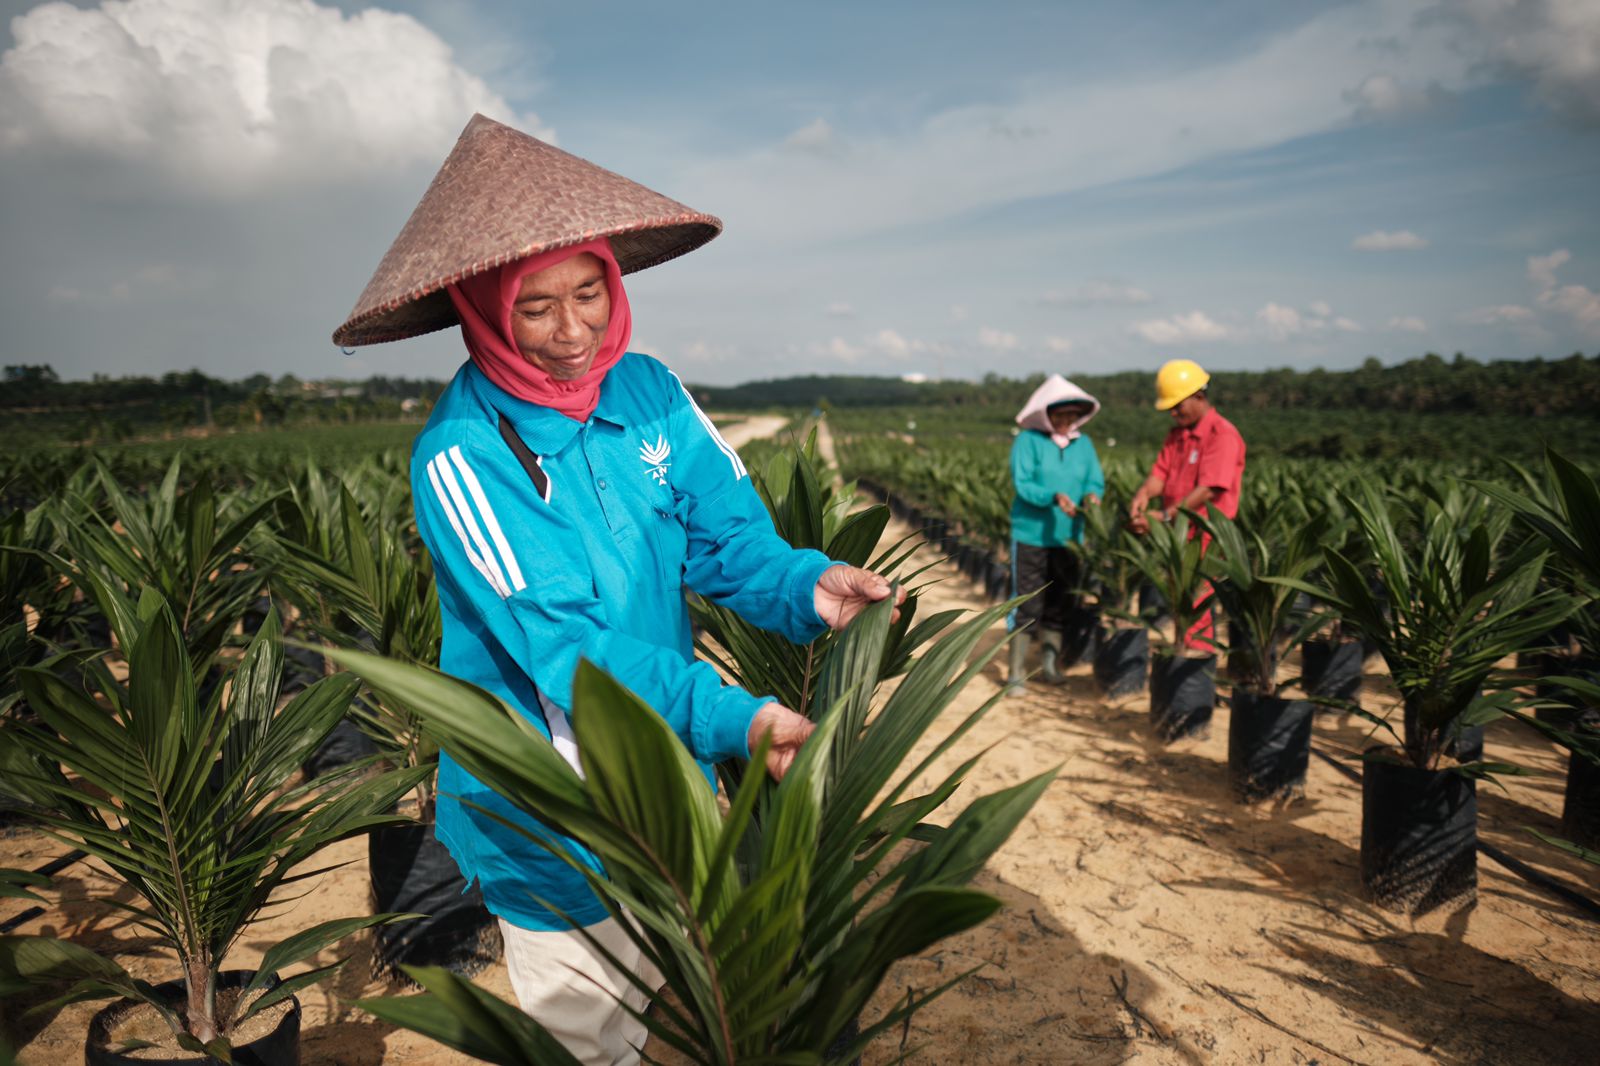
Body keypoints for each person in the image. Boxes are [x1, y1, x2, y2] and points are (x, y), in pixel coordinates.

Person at [332, 114, 900, 1065]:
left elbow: (726, 543)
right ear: (482, 310)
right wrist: (731, 718)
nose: (572, 331)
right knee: (589, 1039)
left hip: (659, 776)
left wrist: (807, 586)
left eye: (589, 293)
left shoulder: (649, 391)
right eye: (534, 308)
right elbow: (569, 652)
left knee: (649, 1003)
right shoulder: (464, 455)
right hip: (547, 805)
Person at [1127, 358, 1246, 651]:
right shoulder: (1177, 435)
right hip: (1178, 533)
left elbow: (1209, 488)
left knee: (1198, 601)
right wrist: (1142, 495)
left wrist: (1165, 516)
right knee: (1179, 596)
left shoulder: (1222, 435)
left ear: (1199, 397)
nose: (1173, 412)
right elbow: (1160, 475)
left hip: (1204, 536)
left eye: (1178, 405)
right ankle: (1184, 654)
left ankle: (1196, 662)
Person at [1005, 374, 1105, 694]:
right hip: (1032, 533)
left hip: (1069, 536)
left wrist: (1092, 495)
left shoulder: (1084, 444)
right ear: (1045, 414)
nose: (1065, 421)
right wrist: (1054, 496)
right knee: (1027, 603)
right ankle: (1016, 671)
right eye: (1059, 415)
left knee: (1060, 603)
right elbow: (1024, 484)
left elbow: (1094, 480)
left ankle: (1050, 666)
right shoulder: (1028, 441)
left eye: (1071, 416)